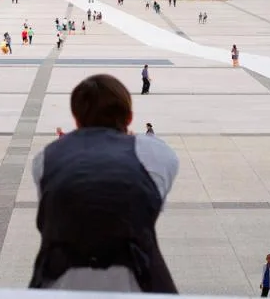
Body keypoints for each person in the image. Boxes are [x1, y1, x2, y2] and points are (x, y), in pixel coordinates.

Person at [28, 74, 179, 293]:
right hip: (139, 283)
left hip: (57, 283)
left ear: (76, 118)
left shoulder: (46, 158)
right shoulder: (158, 154)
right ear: (129, 118)